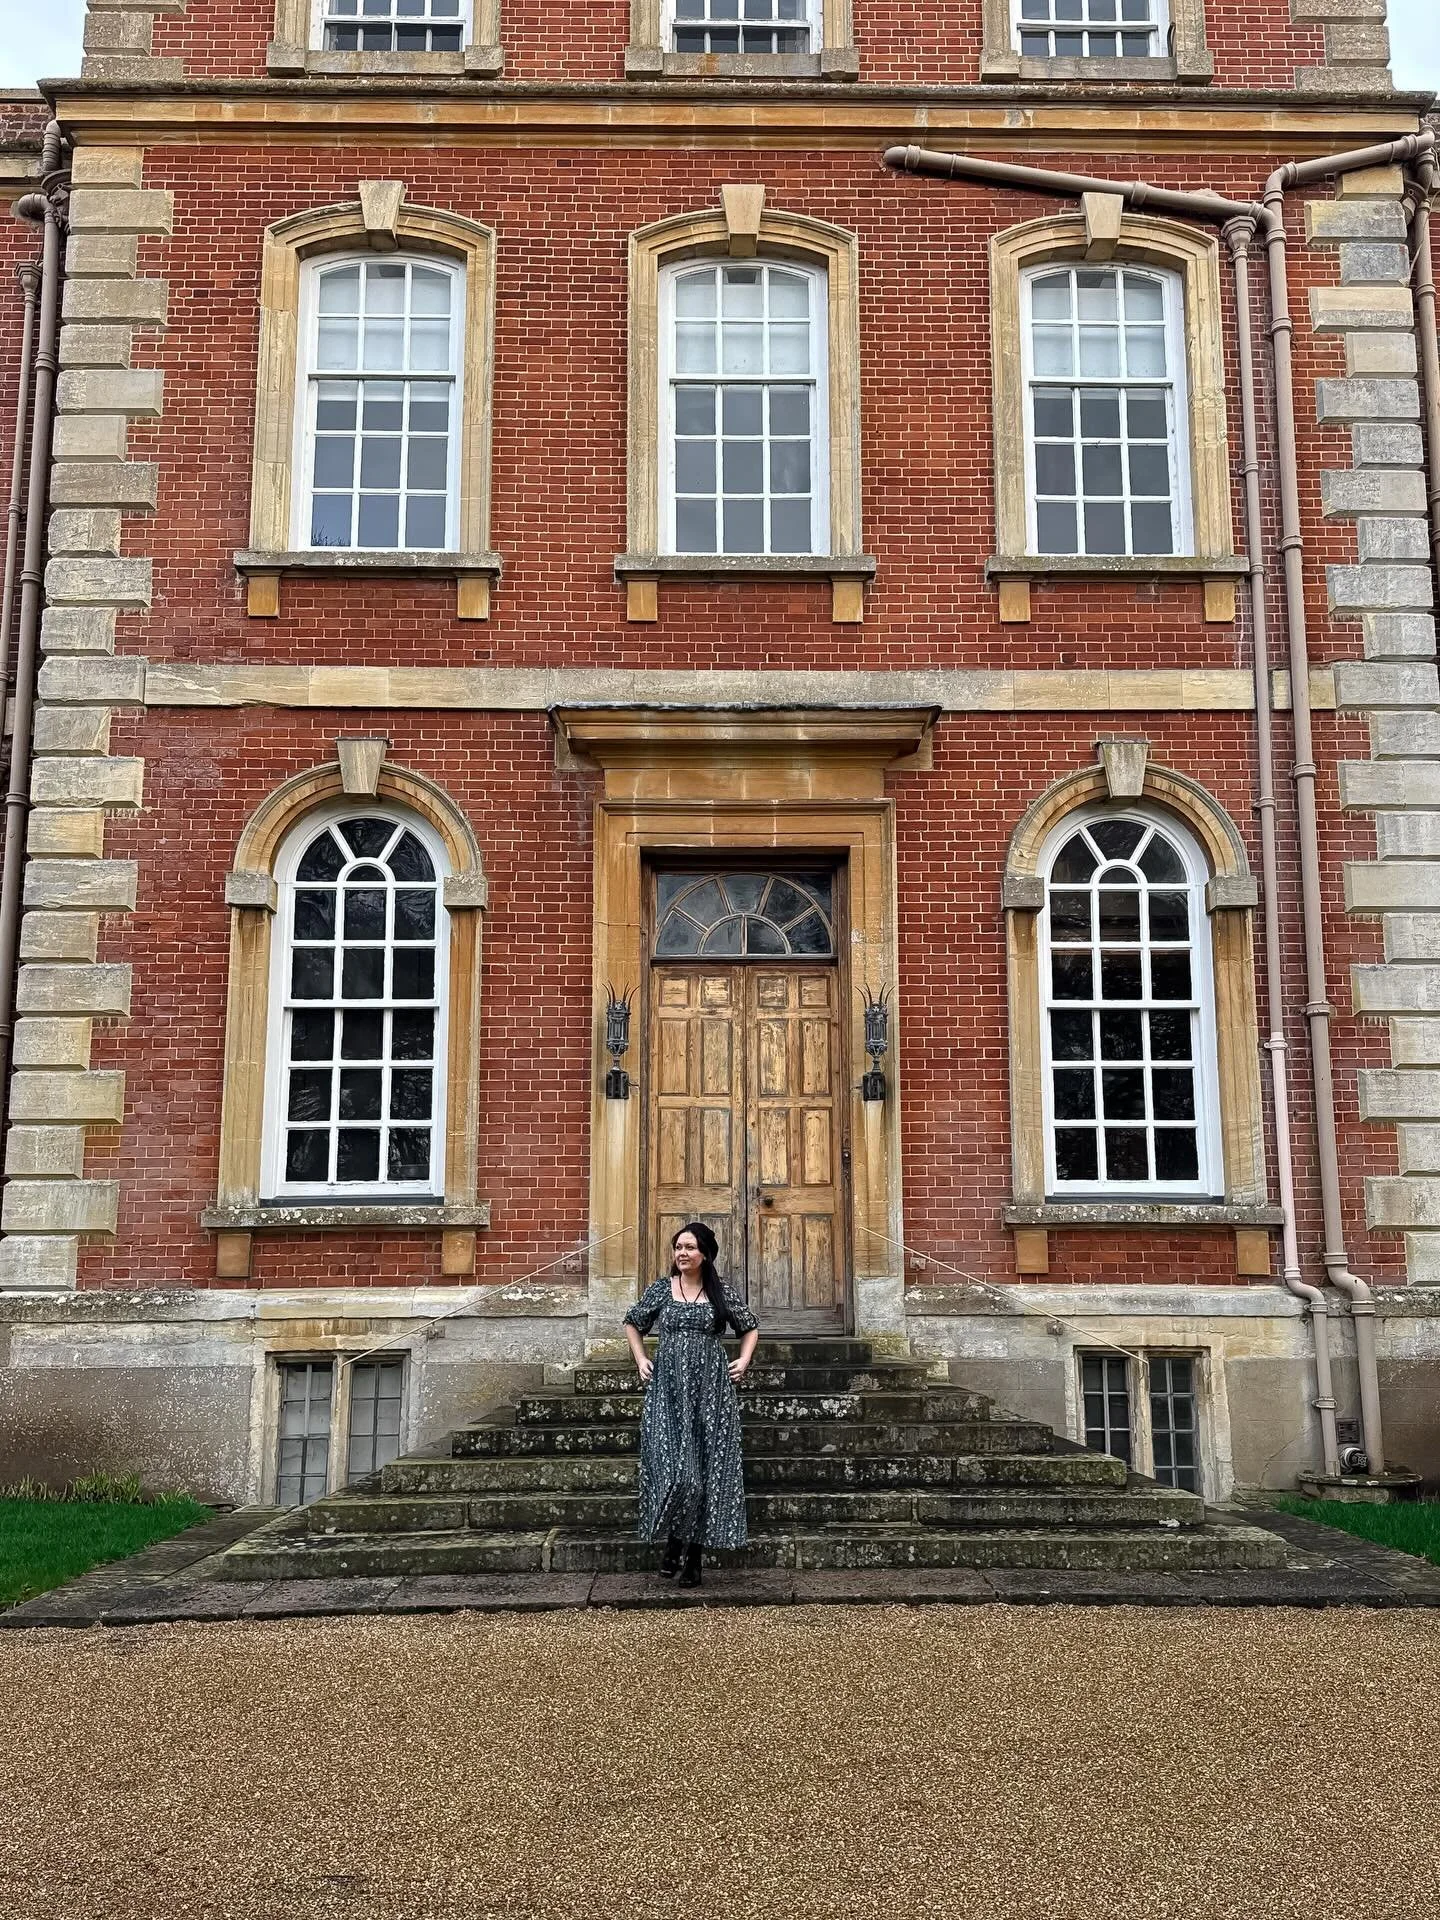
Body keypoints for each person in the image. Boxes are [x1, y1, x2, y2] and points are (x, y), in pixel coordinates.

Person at [622, 1222, 760, 1588]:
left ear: (705, 1254)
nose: (682, 1253)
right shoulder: (661, 1290)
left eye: (690, 1248)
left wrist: (743, 1361)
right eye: (678, 1247)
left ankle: (693, 1554)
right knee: (675, 1469)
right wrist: (640, 1360)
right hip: (668, 1389)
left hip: (710, 1391)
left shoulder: (720, 1293)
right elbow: (633, 1322)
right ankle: (673, 1540)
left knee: (705, 1472)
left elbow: (749, 1327)